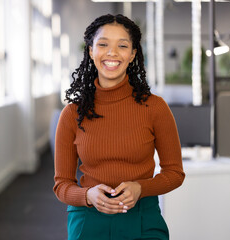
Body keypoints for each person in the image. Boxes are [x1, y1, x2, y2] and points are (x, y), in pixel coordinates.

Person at [53, 14, 185, 240]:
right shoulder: (72, 114)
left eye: (122, 45)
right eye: (103, 44)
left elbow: (174, 173)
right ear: (91, 51)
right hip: (88, 219)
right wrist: (87, 196)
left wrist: (141, 188)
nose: (112, 52)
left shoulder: (155, 107)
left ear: (133, 54)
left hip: (142, 217)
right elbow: (62, 185)